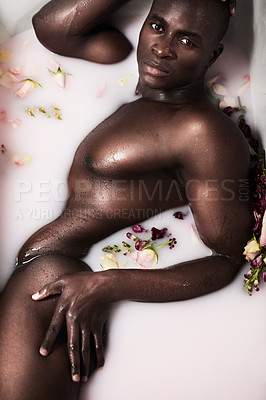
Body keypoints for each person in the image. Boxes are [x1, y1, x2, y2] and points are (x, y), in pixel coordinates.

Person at [0, 0, 251, 399]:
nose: (162, 48)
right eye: (157, 26)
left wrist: (109, 285)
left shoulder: (200, 131)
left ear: (212, 55)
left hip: (57, 288)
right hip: (40, 276)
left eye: (187, 41)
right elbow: (50, 27)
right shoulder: (118, 61)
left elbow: (228, 257)